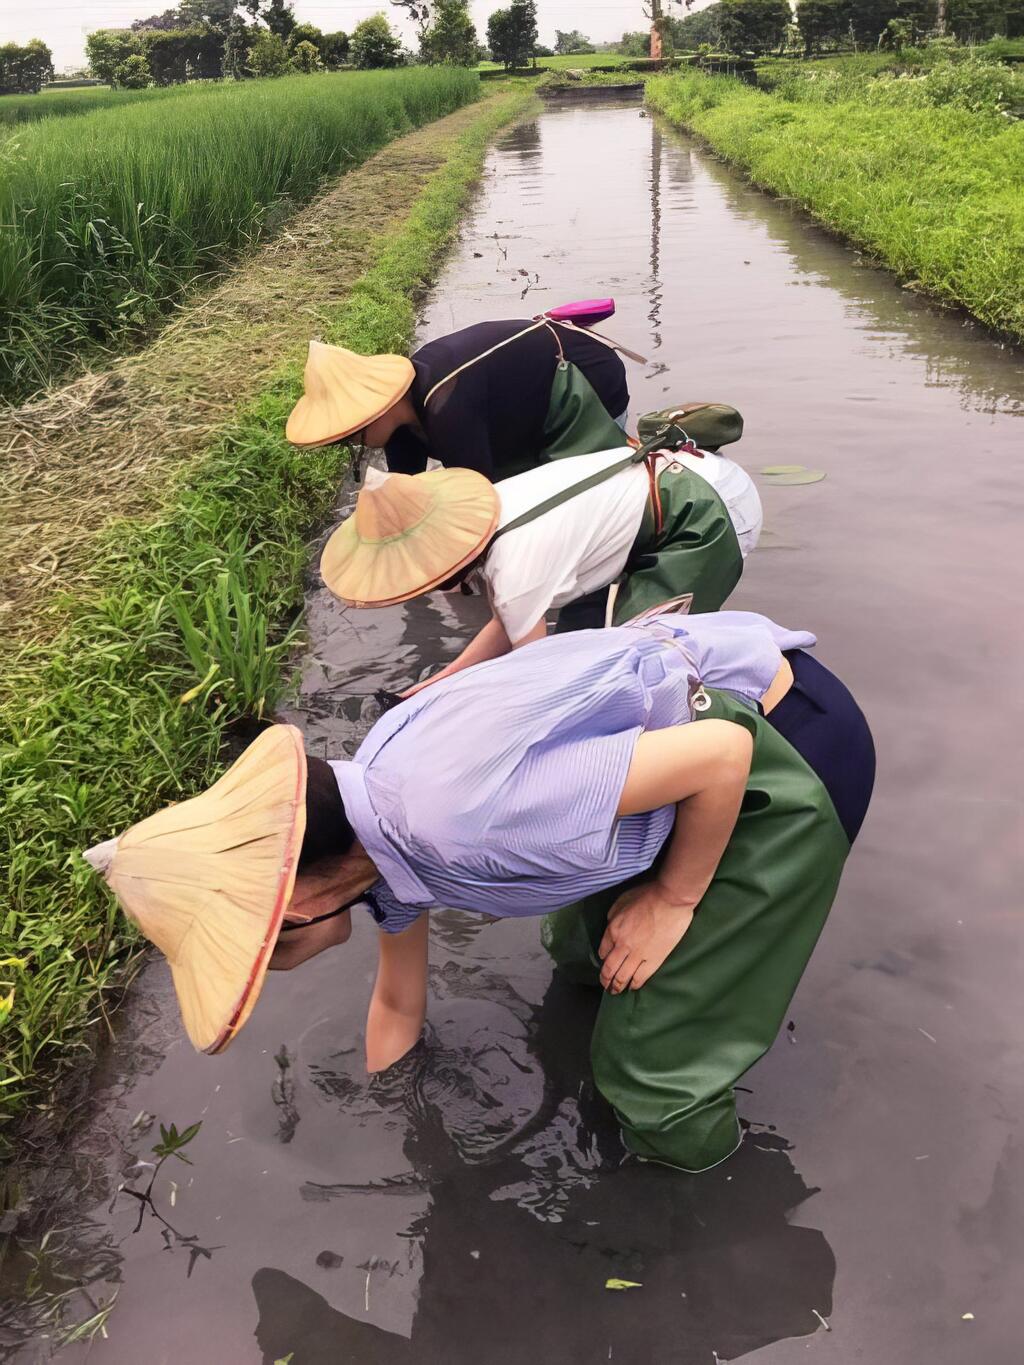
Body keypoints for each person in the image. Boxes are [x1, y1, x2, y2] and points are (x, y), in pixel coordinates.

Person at [83, 611, 874, 1173]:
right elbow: (398, 1001)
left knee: (649, 1080)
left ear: (295, 912)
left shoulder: (460, 820)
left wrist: (673, 898)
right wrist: (405, 1116)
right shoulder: (371, 826)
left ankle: (709, 1214)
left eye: (258, 961)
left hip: (784, 754)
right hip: (678, 740)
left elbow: (723, 755)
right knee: (575, 949)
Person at [318, 433, 762, 694]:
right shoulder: (498, 506)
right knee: (603, 645)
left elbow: (539, 680)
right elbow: (509, 620)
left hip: (709, 512)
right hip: (688, 471)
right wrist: (438, 683)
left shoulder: (513, 571)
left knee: (649, 669)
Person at [285, 315, 635, 481]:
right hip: (527, 398)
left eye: (351, 435)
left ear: (376, 410)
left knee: (579, 491)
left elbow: (479, 499)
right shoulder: (403, 419)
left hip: (590, 381)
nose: (354, 444)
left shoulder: (447, 406)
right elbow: (409, 492)